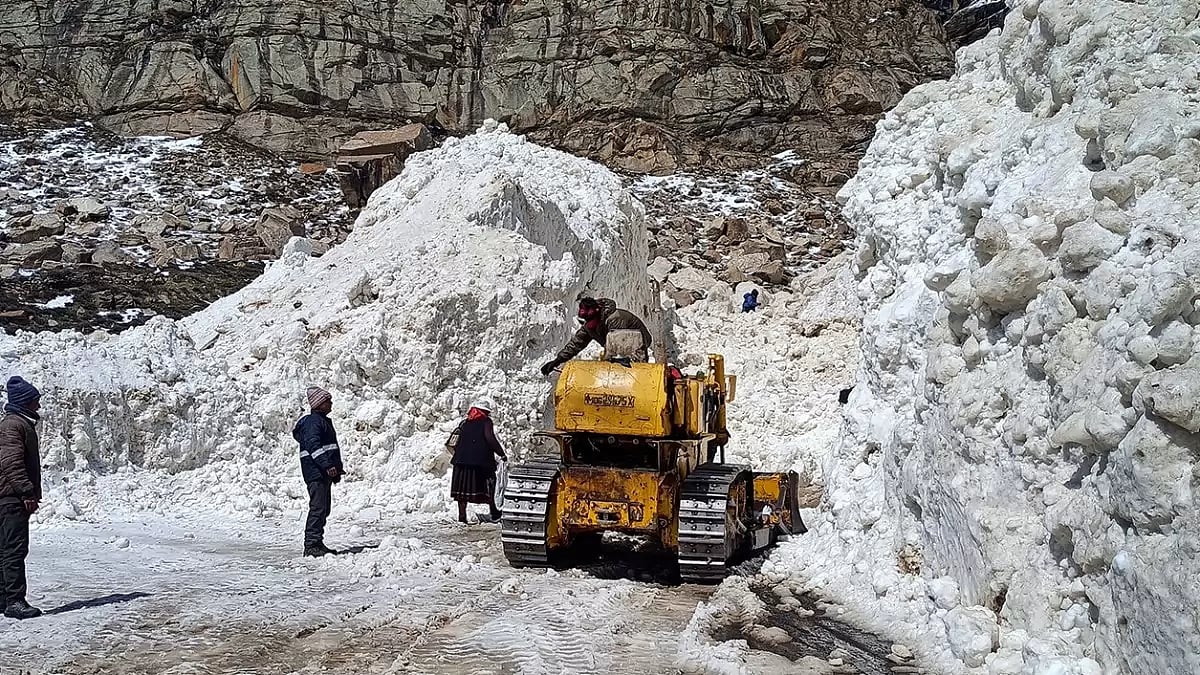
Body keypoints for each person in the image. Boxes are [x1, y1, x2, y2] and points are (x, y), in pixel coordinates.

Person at [0, 376, 42, 620]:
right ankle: (15, 600)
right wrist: (26, 491)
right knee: (14, 549)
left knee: (5, 549)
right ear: (24, 402)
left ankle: (5, 598)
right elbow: (11, 463)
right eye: (35, 401)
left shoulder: (14, 424)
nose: (38, 406)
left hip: (7, 496)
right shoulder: (14, 425)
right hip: (11, 498)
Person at [292, 386, 344, 557]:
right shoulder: (313, 422)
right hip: (316, 473)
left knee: (323, 508)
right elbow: (315, 447)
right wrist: (328, 466)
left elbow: (328, 447)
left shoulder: (321, 421)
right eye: (327, 400)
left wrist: (335, 469)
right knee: (318, 508)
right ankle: (311, 545)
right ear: (319, 404)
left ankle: (317, 542)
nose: (331, 403)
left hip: (321, 472)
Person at [540, 297, 652, 374]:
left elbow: (620, 343)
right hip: (619, 350)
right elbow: (577, 342)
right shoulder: (591, 324)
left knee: (631, 373)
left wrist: (618, 359)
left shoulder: (615, 319)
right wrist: (558, 360)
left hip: (637, 345)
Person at [448, 399, 507, 523]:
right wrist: (501, 454)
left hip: (461, 461)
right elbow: (490, 439)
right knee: (490, 485)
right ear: (484, 412)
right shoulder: (486, 422)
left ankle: (462, 517)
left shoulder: (464, 423)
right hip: (480, 462)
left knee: (462, 491)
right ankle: (495, 513)